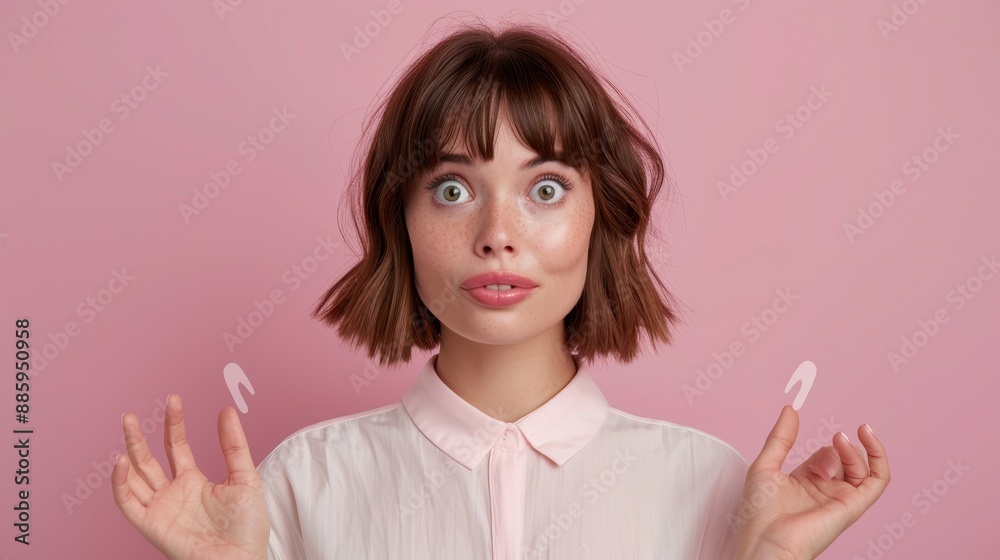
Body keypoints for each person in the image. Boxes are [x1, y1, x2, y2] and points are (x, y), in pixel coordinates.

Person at [112, 19, 890, 560]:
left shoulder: (717, 490)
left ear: (602, 216)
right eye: (452, 189)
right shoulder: (299, 487)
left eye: (545, 189)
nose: (497, 231)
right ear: (400, 220)